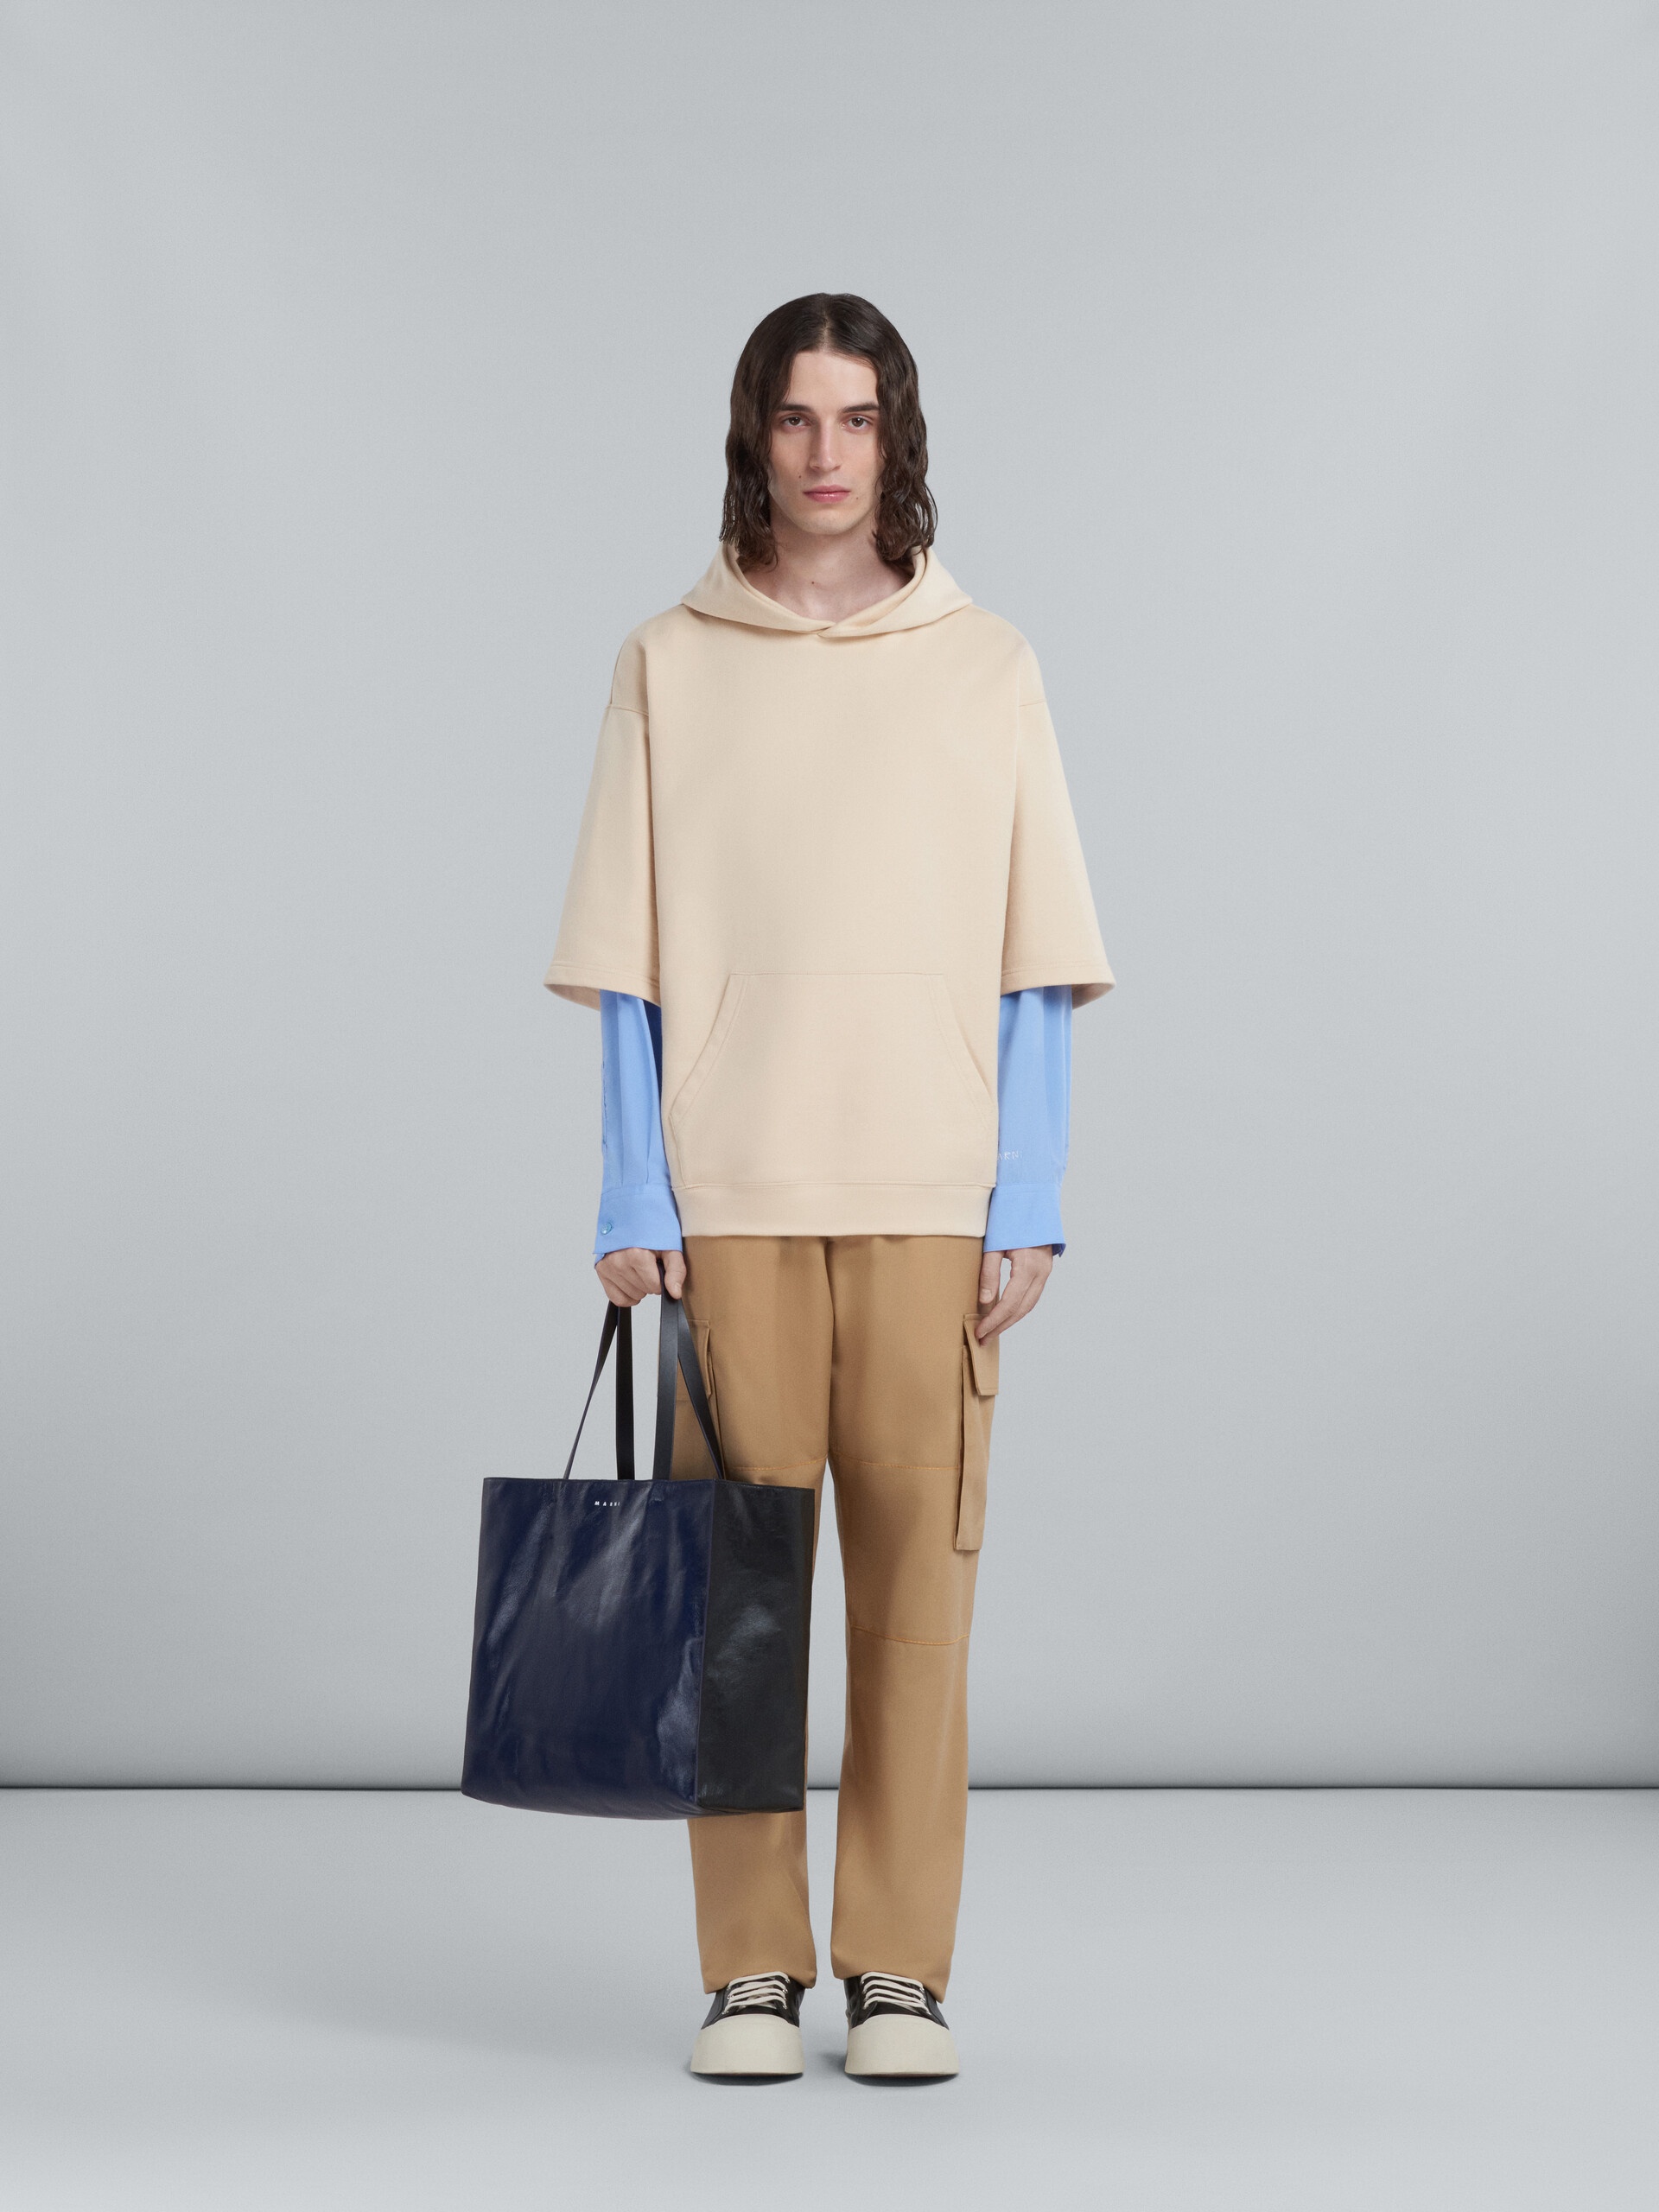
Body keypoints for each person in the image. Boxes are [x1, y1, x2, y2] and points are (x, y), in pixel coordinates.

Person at [547, 294, 1111, 2082]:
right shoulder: (668, 661)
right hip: (729, 1200)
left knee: (916, 1608)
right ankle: (747, 1971)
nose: (824, 452)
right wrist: (634, 1192)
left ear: (898, 437)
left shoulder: (989, 664)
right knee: (739, 1606)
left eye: (856, 418)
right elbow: (627, 961)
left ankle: (897, 1973)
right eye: (796, 417)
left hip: (936, 1193)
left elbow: (1035, 951)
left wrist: (1031, 1188)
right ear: (754, 434)